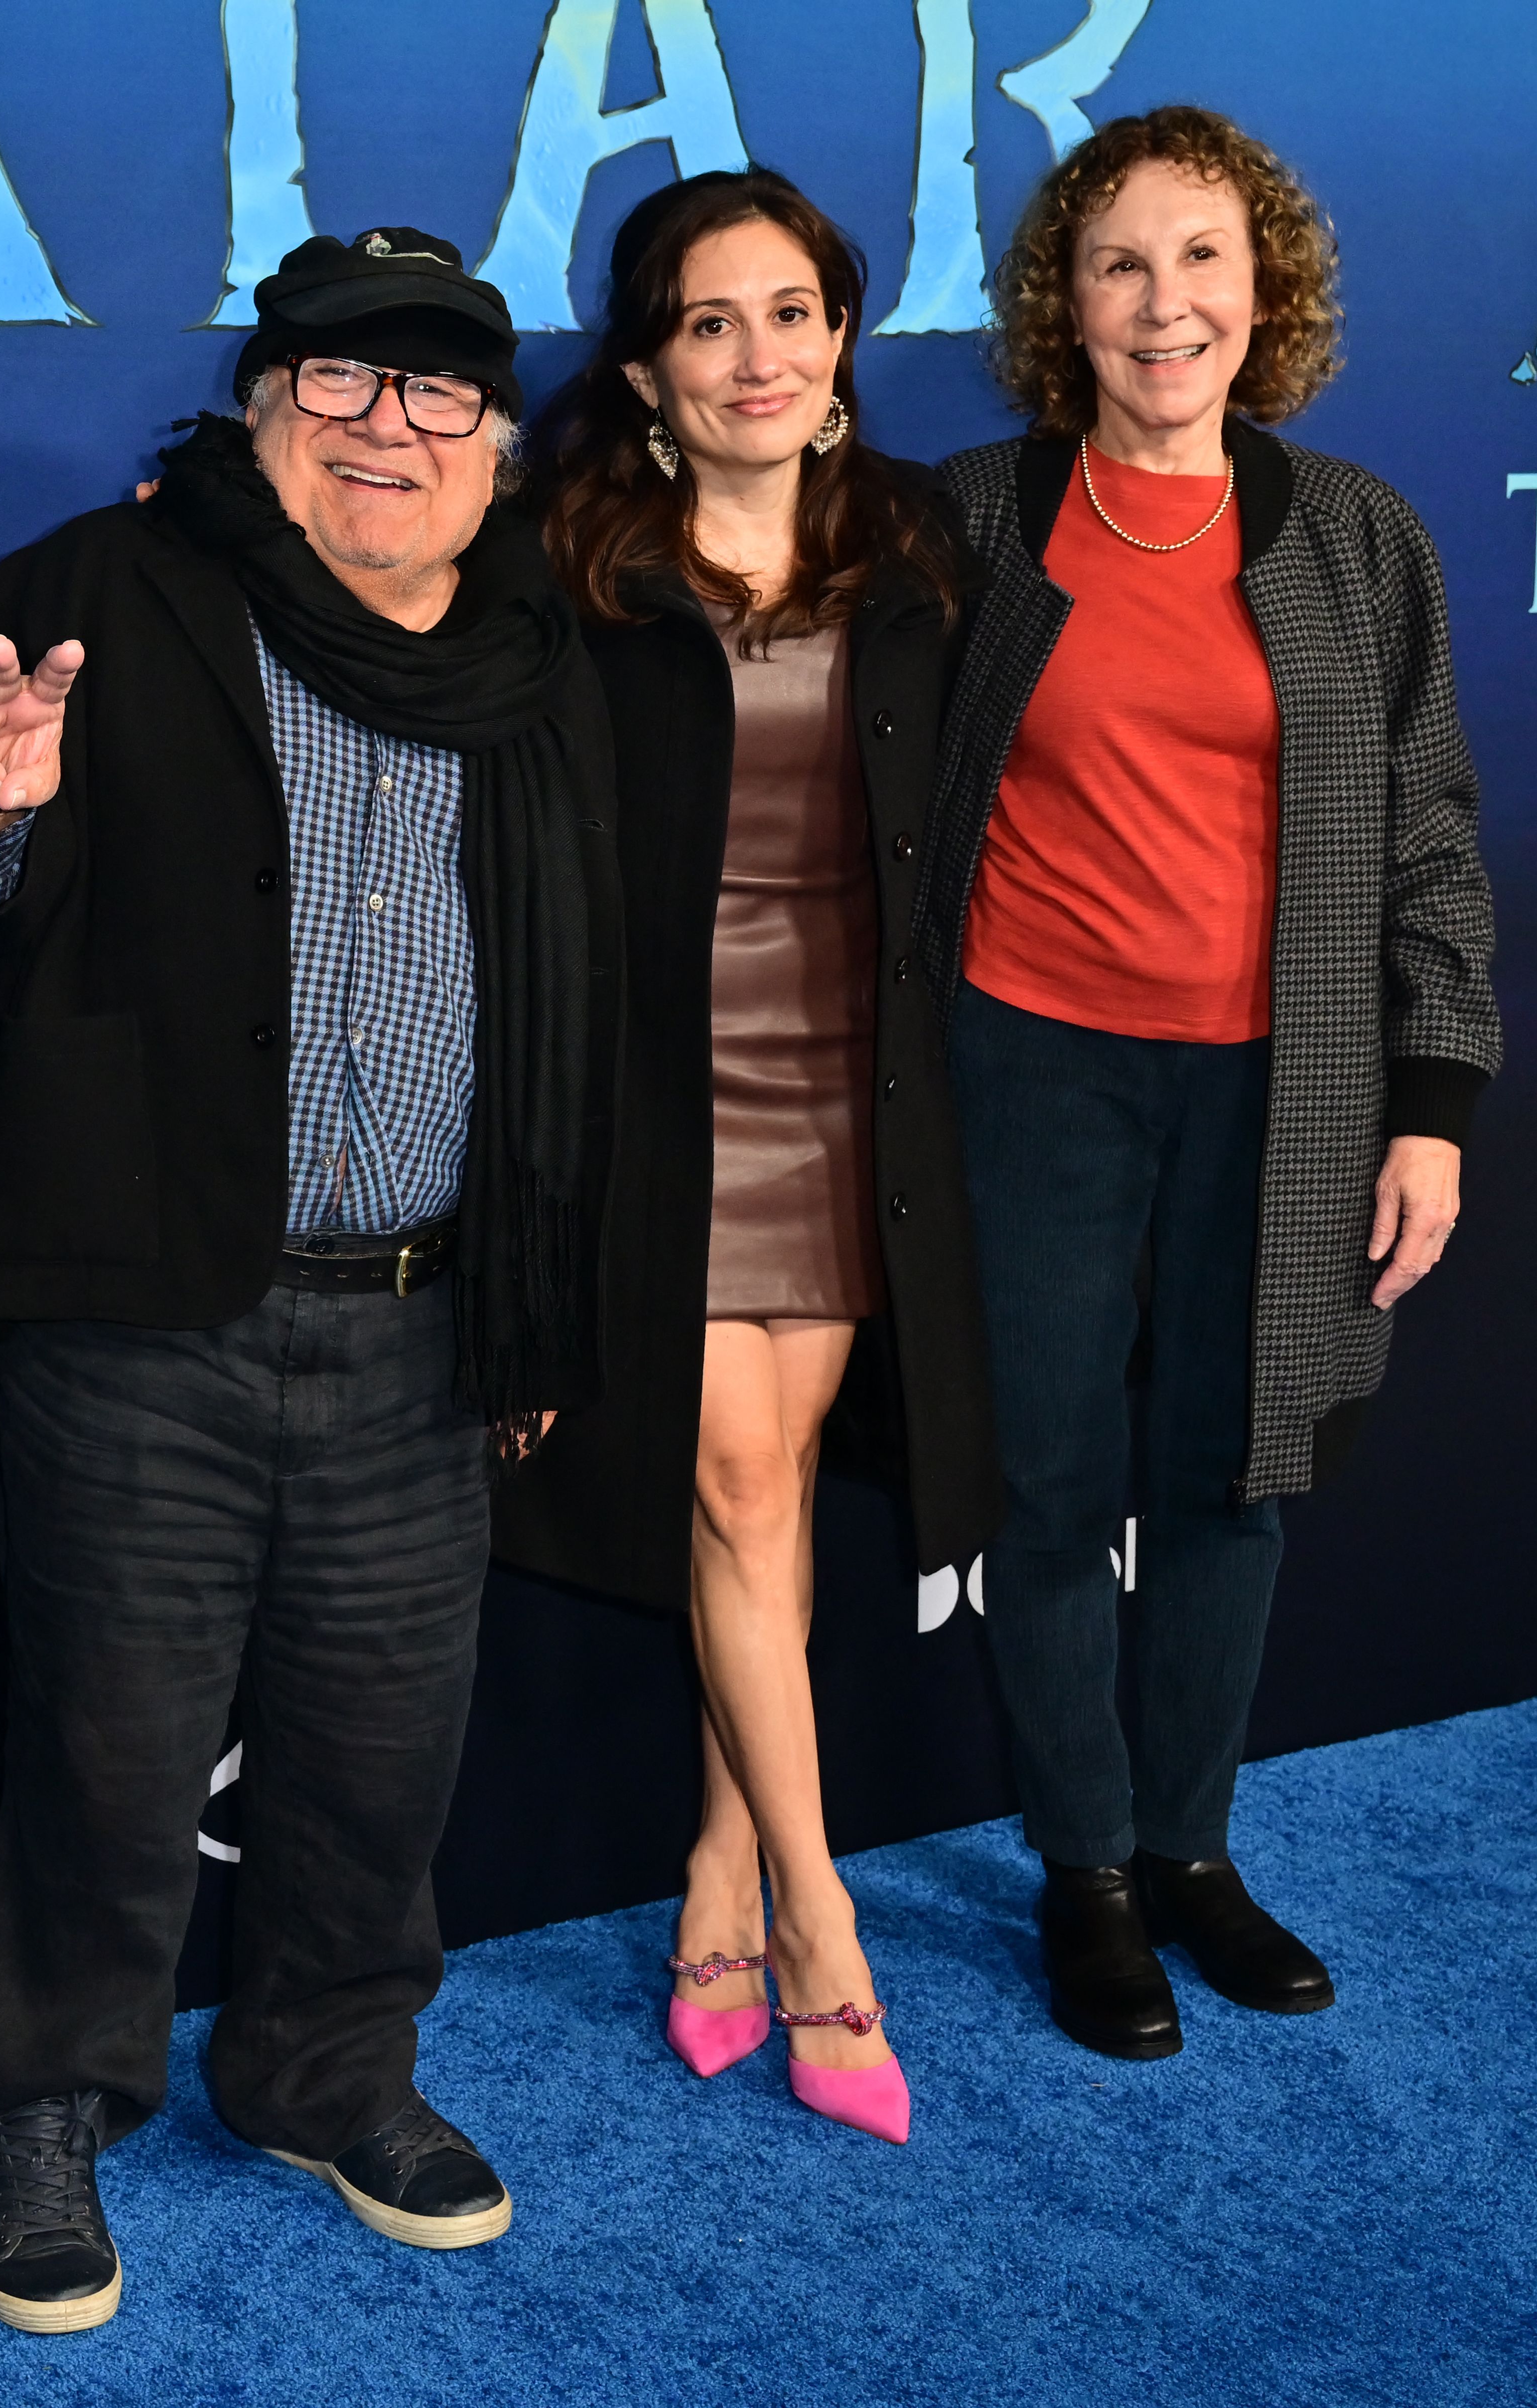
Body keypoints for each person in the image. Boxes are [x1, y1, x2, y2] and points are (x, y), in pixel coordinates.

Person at [0, 227, 620, 2330]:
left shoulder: (538, 656)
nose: (387, 427)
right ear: (264, 409)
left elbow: (584, 1016)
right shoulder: (95, 595)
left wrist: (538, 1303)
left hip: (425, 1320)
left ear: (492, 448)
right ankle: (44, 2105)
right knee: (109, 1757)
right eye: (340, 381)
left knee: (383, 1760)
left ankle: (327, 2075)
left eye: (438, 392)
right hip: (140, 1311)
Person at [922, 108, 1501, 2059]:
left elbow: (1425, 829)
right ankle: (1081, 1870)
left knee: (1234, 1478)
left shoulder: (1354, 534)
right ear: (1058, 306)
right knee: (1054, 1477)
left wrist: (1432, 1099)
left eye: (1200, 262)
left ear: (1267, 297)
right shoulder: (970, 525)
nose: (1162, 304)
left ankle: (1190, 1853)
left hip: (1291, 1081)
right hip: (1029, 1068)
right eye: (1117, 264)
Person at [494, 170, 999, 2146]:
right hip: (656, 1108)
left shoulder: (921, 555)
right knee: (724, 1476)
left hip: (856, 1098)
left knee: (769, 1493)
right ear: (643, 370)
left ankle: (714, 1888)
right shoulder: (567, 571)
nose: (756, 355)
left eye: (788, 311)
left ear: (842, 342)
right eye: (708, 322)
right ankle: (821, 1928)